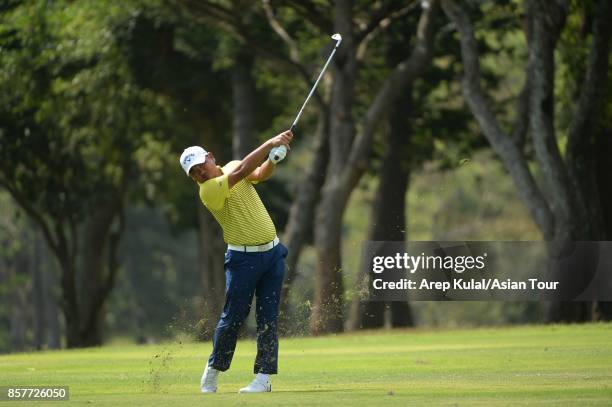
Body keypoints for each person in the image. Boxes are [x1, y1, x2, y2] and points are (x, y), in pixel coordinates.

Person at [179, 130, 293, 394]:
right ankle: (213, 371)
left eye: (200, 166)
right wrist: (270, 143)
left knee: (268, 318)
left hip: (273, 254)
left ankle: (263, 379)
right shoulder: (208, 191)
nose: (200, 173)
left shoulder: (231, 168)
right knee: (233, 318)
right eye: (194, 173)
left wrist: (273, 160)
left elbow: (258, 174)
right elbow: (242, 170)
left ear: (210, 157)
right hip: (243, 260)